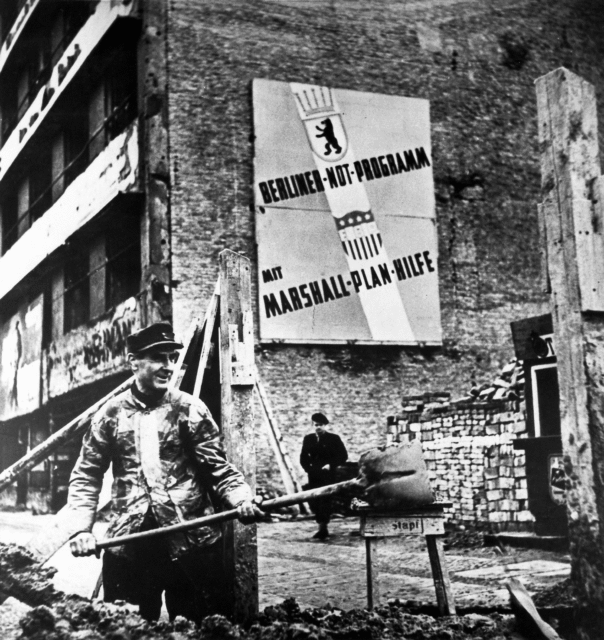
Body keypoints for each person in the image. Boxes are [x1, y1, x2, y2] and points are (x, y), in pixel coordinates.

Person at [66, 322, 263, 624]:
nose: (168, 367)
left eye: (172, 358)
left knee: (200, 627)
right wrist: (81, 529)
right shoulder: (110, 415)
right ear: (134, 362)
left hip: (191, 546)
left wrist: (241, 499)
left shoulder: (189, 410)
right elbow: (87, 475)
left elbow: (218, 469)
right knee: (126, 628)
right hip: (130, 547)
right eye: (159, 358)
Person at [300, 412, 348, 540]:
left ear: (325, 425)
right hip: (314, 475)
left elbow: (343, 456)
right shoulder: (308, 439)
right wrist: (308, 469)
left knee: (325, 501)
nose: (318, 427)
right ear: (312, 425)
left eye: (320, 425)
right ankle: (321, 527)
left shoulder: (333, 439)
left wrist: (330, 465)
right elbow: (303, 457)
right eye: (316, 425)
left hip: (327, 475)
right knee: (315, 500)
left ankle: (323, 528)